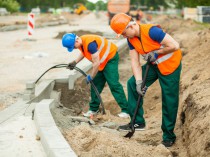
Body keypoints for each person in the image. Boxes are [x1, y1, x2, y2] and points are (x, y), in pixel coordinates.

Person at [110, 13, 182, 147]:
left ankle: (168, 136)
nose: (124, 36)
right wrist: (139, 82)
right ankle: (137, 122)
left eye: (124, 33)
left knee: (169, 99)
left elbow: (175, 45)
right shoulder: (131, 39)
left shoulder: (152, 31)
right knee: (132, 84)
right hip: (154, 65)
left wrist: (156, 53)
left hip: (170, 66)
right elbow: (134, 61)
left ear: (131, 26)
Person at [62, 33, 129, 118]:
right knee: (96, 85)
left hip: (110, 59)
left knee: (114, 84)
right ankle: (93, 109)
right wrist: (75, 62)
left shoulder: (90, 44)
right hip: (101, 61)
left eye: (74, 46)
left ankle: (126, 111)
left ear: (77, 40)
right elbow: (84, 52)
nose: (74, 48)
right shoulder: (81, 42)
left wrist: (91, 76)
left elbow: (96, 64)